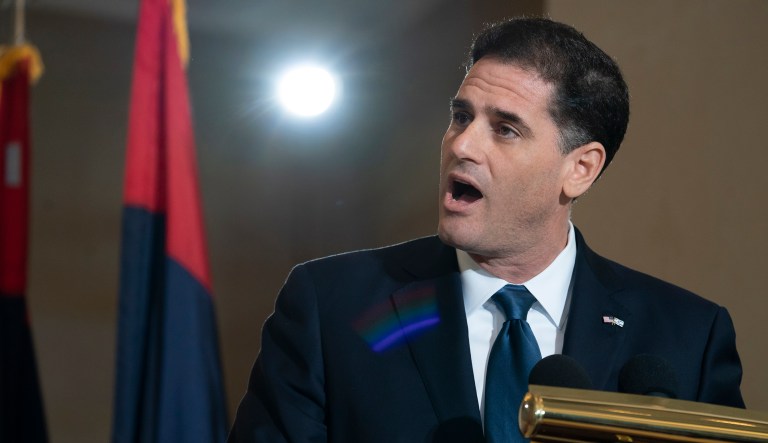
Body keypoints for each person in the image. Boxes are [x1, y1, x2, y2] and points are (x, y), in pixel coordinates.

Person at [227, 17, 744, 443]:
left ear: (580, 169)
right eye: (461, 116)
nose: (462, 145)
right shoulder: (332, 306)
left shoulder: (687, 337)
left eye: (505, 129)